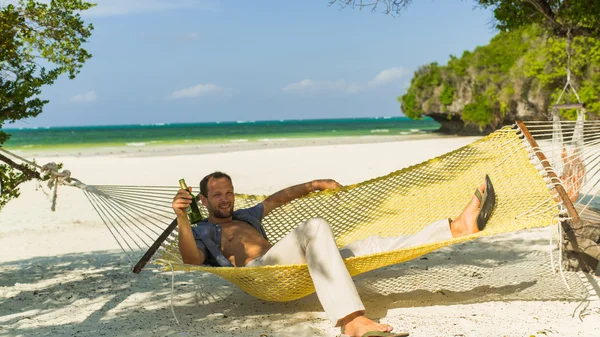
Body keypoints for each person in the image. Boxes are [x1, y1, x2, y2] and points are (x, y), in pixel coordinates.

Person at [171, 171, 495, 337]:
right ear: (204, 199)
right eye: (218, 195)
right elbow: (192, 260)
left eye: (229, 192)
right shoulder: (201, 230)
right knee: (314, 227)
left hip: (294, 264)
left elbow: (278, 198)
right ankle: (351, 321)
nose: (225, 199)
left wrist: (313, 184)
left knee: (371, 246)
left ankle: (455, 228)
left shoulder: (246, 215)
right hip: (263, 273)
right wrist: (183, 217)